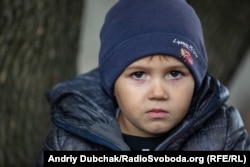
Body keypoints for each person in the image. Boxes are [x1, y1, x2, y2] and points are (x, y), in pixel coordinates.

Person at [36, 0, 250, 165]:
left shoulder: (223, 135)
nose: (158, 92)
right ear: (113, 84)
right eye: (138, 75)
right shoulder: (69, 140)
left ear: (196, 80)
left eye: (174, 73)